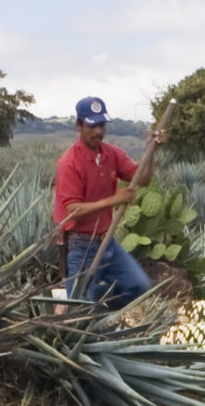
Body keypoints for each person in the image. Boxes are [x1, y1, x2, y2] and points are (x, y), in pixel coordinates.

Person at [53, 96, 153, 308]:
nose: (98, 131)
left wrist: (152, 150)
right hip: (79, 245)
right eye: (91, 125)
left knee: (139, 286)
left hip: (106, 240)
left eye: (101, 125)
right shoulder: (69, 162)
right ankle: (84, 307)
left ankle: (96, 306)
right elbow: (72, 209)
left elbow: (143, 178)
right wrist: (114, 200)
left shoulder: (112, 154)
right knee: (78, 311)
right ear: (79, 125)